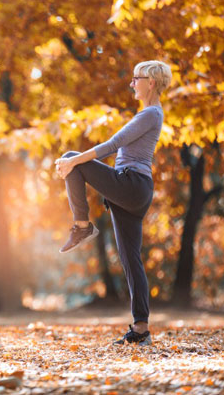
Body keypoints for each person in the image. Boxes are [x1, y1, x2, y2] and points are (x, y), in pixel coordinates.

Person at [54, 60, 172, 346]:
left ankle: (82, 225)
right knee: (131, 260)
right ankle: (141, 329)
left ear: (151, 82)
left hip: (132, 185)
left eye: (136, 78)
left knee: (73, 156)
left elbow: (111, 145)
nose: (132, 83)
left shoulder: (150, 114)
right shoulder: (149, 114)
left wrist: (72, 161)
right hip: (130, 190)